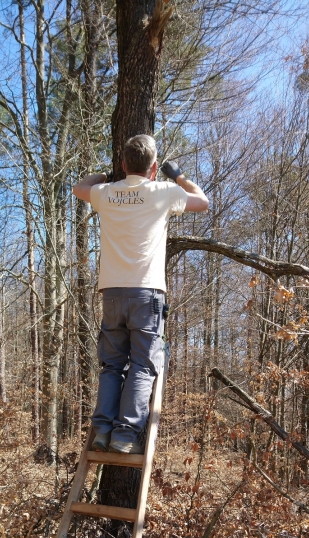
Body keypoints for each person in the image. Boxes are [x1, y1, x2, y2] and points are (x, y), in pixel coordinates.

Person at [72, 134, 209, 454]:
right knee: (143, 366)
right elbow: (202, 202)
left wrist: (104, 175)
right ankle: (124, 435)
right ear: (154, 168)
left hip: (112, 292)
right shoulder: (163, 191)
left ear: (123, 164)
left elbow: (79, 187)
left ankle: (102, 431)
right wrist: (178, 176)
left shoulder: (106, 193)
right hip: (146, 293)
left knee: (111, 366)